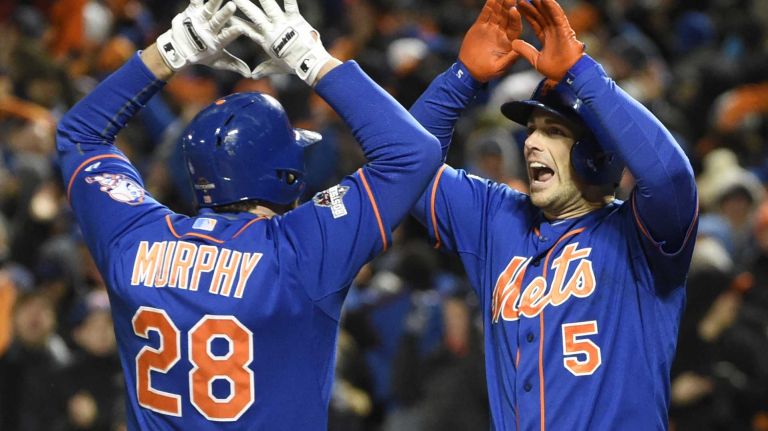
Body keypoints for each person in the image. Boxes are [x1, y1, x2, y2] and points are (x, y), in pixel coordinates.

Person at [56, 0, 441, 429]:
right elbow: (412, 152)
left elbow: (81, 134)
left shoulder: (133, 238)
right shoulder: (299, 252)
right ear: (286, 175)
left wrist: (168, 50)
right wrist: (309, 59)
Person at [408, 0, 698, 429]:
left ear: (596, 155)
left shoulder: (643, 235)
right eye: (531, 131)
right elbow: (405, 168)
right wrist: (461, 78)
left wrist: (584, 74)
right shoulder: (497, 217)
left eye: (554, 131)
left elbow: (671, 176)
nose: (530, 144)